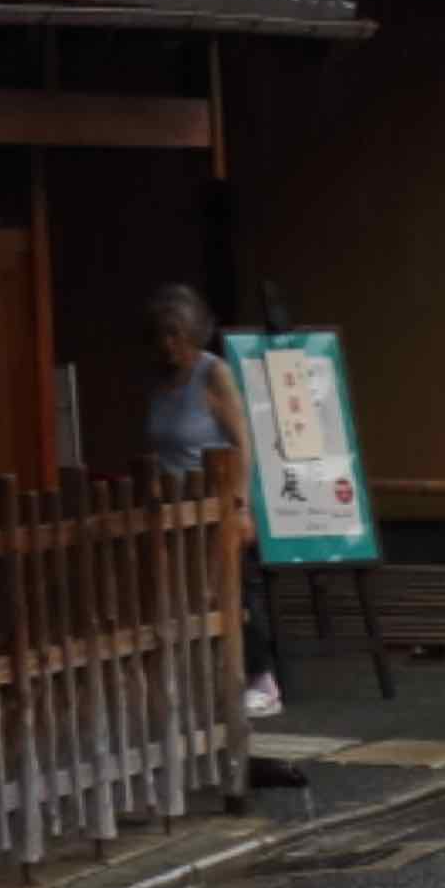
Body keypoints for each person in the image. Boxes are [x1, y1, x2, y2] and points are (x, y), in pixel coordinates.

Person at [144, 285, 279, 724]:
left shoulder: (213, 373)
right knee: (187, 596)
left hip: (217, 500)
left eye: (177, 334)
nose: (169, 344)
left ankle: (262, 681)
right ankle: (203, 682)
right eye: (162, 335)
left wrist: (240, 506)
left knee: (237, 589)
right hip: (172, 506)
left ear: (195, 334)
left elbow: (242, 442)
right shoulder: (159, 381)